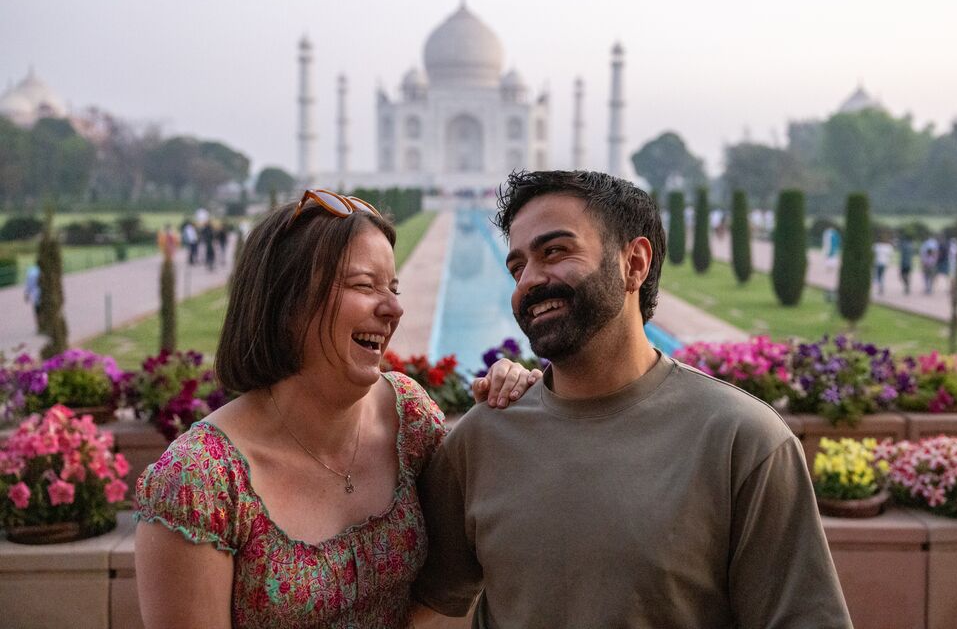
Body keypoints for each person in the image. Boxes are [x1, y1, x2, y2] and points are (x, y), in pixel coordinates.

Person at [414, 170, 851, 628]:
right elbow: (435, 609)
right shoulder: (483, 439)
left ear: (635, 263)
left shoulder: (741, 441)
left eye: (555, 251)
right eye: (518, 266)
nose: (529, 281)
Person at [134, 189, 539, 628]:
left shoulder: (406, 417)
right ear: (287, 302)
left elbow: (461, 553)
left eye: (394, 287)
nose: (394, 308)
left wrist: (514, 404)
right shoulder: (201, 482)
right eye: (365, 285)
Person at [822, 225, 841, 302]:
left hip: (830, 255)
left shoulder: (829, 234)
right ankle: (831, 292)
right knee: (832, 275)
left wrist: (827, 253)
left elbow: (828, 245)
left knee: (829, 275)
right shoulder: (835, 234)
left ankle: (829, 293)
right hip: (833, 255)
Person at [23, 261, 42, 332]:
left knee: (37, 312)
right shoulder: (45, 271)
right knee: (43, 311)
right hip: (44, 295)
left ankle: (39, 327)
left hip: (35, 295)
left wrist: (26, 294)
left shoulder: (31, 272)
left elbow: (28, 285)